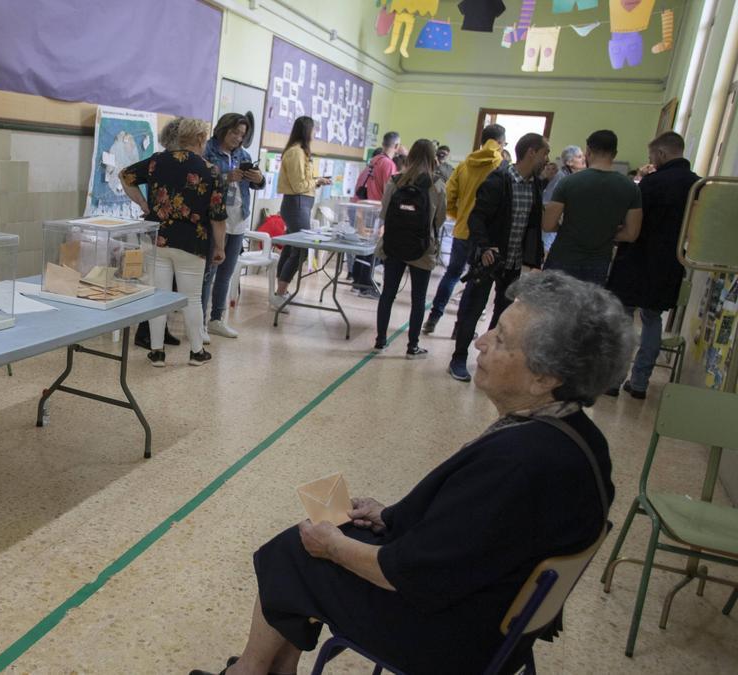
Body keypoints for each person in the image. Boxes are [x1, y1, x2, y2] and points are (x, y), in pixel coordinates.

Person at [189, 272, 629, 675]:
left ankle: (248, 671)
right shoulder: (580, 439)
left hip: (449, 640)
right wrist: (390, 516)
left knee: (296, 551)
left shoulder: (519, 462)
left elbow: (408, 574)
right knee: (314, 545)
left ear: (544, 378)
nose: (479, 342)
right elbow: (478, 536)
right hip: (497, 626)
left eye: (501, 338)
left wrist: (335, 546)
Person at [121, 118, 227, 367]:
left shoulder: (158, 160)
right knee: (191, 298)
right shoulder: (211, 170)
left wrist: (144, 204)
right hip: (193, 243)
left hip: (158, 239)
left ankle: (157, 352)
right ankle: (196, 352)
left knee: (158, 296)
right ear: (201, 139)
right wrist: (220, 247)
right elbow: (218, 217)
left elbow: (125, 176)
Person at [448, 133, 550, 382]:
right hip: (489, 260)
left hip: (513, 263)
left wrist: (534, 258)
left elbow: (533, 224)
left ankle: (491, 362)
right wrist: (485, 248)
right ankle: (458, 359)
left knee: (503, 315)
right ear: (531, 152)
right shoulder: (498, 179)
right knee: (473, 308)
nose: (546, 160)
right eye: (545, 154)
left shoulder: (534, 184)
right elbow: (476, 217)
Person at [606, 131, 700, 399]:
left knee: (624, 319)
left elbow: (632, 220)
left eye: (652, 156)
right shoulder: (698, 185)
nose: (652, 161)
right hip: (669, 264)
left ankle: (613, 380)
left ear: (661, 154)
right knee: (652, 319)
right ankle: (640, 383)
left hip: (636, 259)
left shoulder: (651, 183)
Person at [423, 124, 507, 336]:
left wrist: (460, 217)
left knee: (452, 274)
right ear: (500, 142)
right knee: (475, 280)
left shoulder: (465, 164)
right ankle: (459, 328)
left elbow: (449, 197)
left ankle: (433, 318)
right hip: (484, 237)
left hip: (462, 231)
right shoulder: (500, 165)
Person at [373, 139, 445, 358]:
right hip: (422, 248)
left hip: (393, 244)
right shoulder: (437, 183)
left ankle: (380, 340)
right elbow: (439, 219)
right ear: (433, 157)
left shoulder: (395, 180)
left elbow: (384, 213)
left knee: (388, 294)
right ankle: (412, 347)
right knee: (418, 299)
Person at [542, 130, 642, 285]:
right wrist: (605, 233)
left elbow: (548, 225)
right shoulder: (631, 188)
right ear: (614, 154)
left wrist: (568, 229)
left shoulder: (569, 182)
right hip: (598, 262)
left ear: (588, 151)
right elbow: (631, 234)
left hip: (563, 256)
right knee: (587, 307)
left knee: (551, 306)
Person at [202, 113, 266, 339]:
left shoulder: (243, 154)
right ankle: (199, 322)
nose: (238, 138)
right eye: (234, 133)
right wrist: (226, 178)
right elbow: (201, 180)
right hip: (215, 219)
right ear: (223, 129)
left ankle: (216, 319)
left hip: (239, 219)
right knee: (208, 272)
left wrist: (259, 179)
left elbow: (258, 183)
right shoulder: (207, 150)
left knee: (226, 273)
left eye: (242, 135)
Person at [270, 117, 333, 310]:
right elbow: (298, 185)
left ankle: (279, 292)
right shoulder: (296, 152)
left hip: (301, 204)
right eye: (314, 130)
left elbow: (302, 180)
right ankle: (280, 294)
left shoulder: (300, 152)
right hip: (296, 204)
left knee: (291, 247)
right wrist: (317, 181)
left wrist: (316, 180)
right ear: (306, 131)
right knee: (302, 250)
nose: (315, 134)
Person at [134, 119, 185, 351]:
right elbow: (126, 176)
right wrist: (144, 204)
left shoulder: (178, 161)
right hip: (159, 230)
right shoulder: (159, 160)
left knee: (167, 285)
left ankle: (160, 330)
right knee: (155, 283)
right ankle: (145, 332)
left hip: (168, 230)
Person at [351, 132, 402, 298]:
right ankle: (365, 284)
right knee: (371, 248)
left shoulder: (373, 161)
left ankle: (358, 280)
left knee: (364, 247)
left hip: (363, 207)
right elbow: (390, 191)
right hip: (376, 209)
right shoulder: (388, 164)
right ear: (396, 146)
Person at [540, 145, 585, 253]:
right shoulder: (562, 178)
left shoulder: (571, 176)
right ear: (569, 162)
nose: (583, 159)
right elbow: (548, 201)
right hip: (553, 223)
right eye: (579, 157)